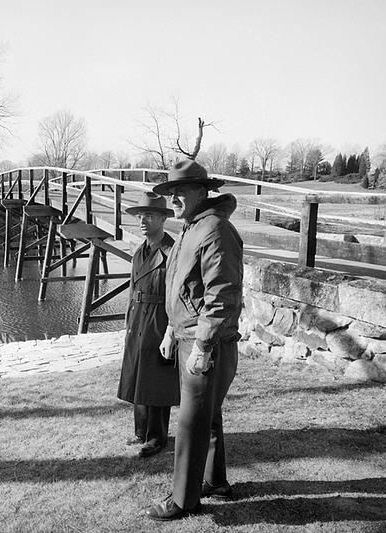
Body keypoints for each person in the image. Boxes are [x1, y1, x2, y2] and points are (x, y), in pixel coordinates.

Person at [144, 159, 243, 521]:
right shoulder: (191, 228)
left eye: (181, 191)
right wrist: (172, 329)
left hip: (209, 345)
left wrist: (201, 346)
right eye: (171, 192)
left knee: (190, 421)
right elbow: (183, 285)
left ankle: (184, 499)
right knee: (207, 416)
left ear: (202, 191)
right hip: (188, 336)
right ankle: (215, 482)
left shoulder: (215, 230)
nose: (174, 198)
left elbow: (222, 296)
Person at [117, 192, 180, 458]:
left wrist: (172, 330)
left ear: (164, 218)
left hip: (159, 317)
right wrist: (128, 319)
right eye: (141, 216)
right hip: (138, 316)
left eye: (150, 215)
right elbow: (133, 287)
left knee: (156, 377)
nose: (143, 221)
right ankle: (141, 430)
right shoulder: (139, 251)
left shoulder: (172, 251)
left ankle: (157, 437)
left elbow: (178, 294)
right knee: (137, 373)